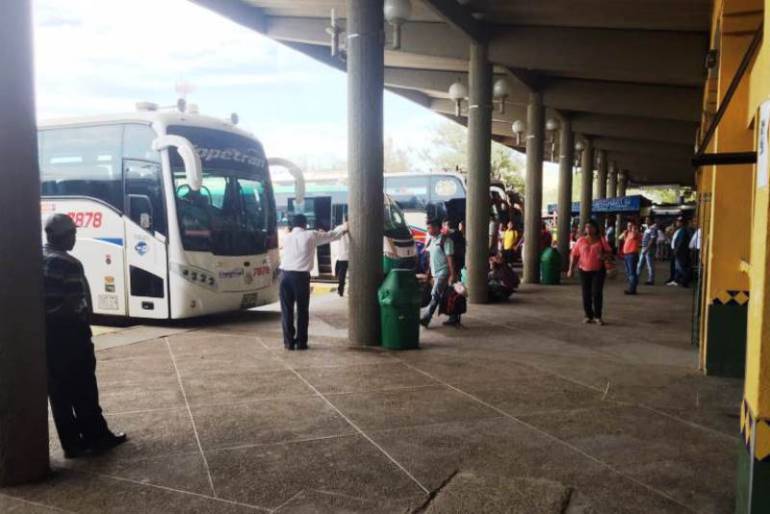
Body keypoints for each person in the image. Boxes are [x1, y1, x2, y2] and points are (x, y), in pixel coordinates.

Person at [42, 214, 127, 459]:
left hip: (47, 336)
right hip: (71, 336)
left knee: (59, 393)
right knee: (84, 388)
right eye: (73, 233)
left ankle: (72, 444)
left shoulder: (37, 257)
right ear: (64, 236)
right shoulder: (69, 263)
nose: (75, 237)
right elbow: (75, 304)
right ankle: (97, 436)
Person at [280, 214, 347, 350]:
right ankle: (301, 343)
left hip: (284, 276)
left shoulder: (286, 237)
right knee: (302, 310)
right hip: (300, 277)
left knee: (287, 310)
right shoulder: (311, 235)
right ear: (305, 224)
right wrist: (345, 227)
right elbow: (332, 235)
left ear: (293, 225)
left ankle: (288, 342)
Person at [567, 219, 612, 325]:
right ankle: (588, 315)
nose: (588, 229)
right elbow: (574, 255)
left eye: (591, 227)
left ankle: (598, 316)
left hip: (599, 270)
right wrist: (570, 269)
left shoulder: (601, 240)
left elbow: (609, 253)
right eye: (587, 227)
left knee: (597, 293)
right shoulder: (581, 240)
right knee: (586, 293)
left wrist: (604, 256)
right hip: (583, 270)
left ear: (596, 229)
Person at [421, 219, 458, 328]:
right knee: (446, 296)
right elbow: (431, 258)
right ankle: (454, 316)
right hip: (435, 273)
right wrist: (429, 274)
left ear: (437, 228)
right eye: (427, 228)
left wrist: (452, 274)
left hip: (444, 272)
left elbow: (450, 258)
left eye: (430, 227)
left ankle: (426, 317)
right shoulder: (431, 240)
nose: (428, 230)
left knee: (435, 294)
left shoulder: (446, 241)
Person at [668, 217, 692, 287]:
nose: (676, 223)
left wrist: (676, 251)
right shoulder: (678, 230)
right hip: (676, 251)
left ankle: (686, 280)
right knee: (677, 267)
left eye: (678, 222)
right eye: (677, 222)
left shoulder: (683, 231)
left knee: (680, 267)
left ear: (681, 223)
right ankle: (676, 280)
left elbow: (680, 242)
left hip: (680, 252)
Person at [622, 221, 642, 294]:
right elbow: (625, 241)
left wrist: (634, 229)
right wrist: (625, 234)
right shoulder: (628, 233)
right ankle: (632, 287)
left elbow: (634, 236)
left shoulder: (635, 233)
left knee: (632, 272)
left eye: (630, 225)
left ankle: (632, 289)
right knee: (629, 272)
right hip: (627, 254)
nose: (629, 227)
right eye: (628, 225)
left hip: (632, 255)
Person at [637, 217, 659, 285]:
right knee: (640, 264)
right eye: (645, 220)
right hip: (644, 248)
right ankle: (636, 277)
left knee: (650, 265)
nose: (646, 221)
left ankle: (651, 280)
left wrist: (646, 249)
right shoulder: (647, 228)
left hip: (649, 249)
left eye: (648, 220)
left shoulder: (653, 228)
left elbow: (652, 240)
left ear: (651, 221)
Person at [334, 216, 350, 297]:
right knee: (353, 275)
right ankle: (351, 290)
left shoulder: (339, 228)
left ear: (344, 219)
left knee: (342, 275)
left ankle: (340, 291)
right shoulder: (356, 227)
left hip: (342, 255)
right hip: (352, 256)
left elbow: (332, 235)